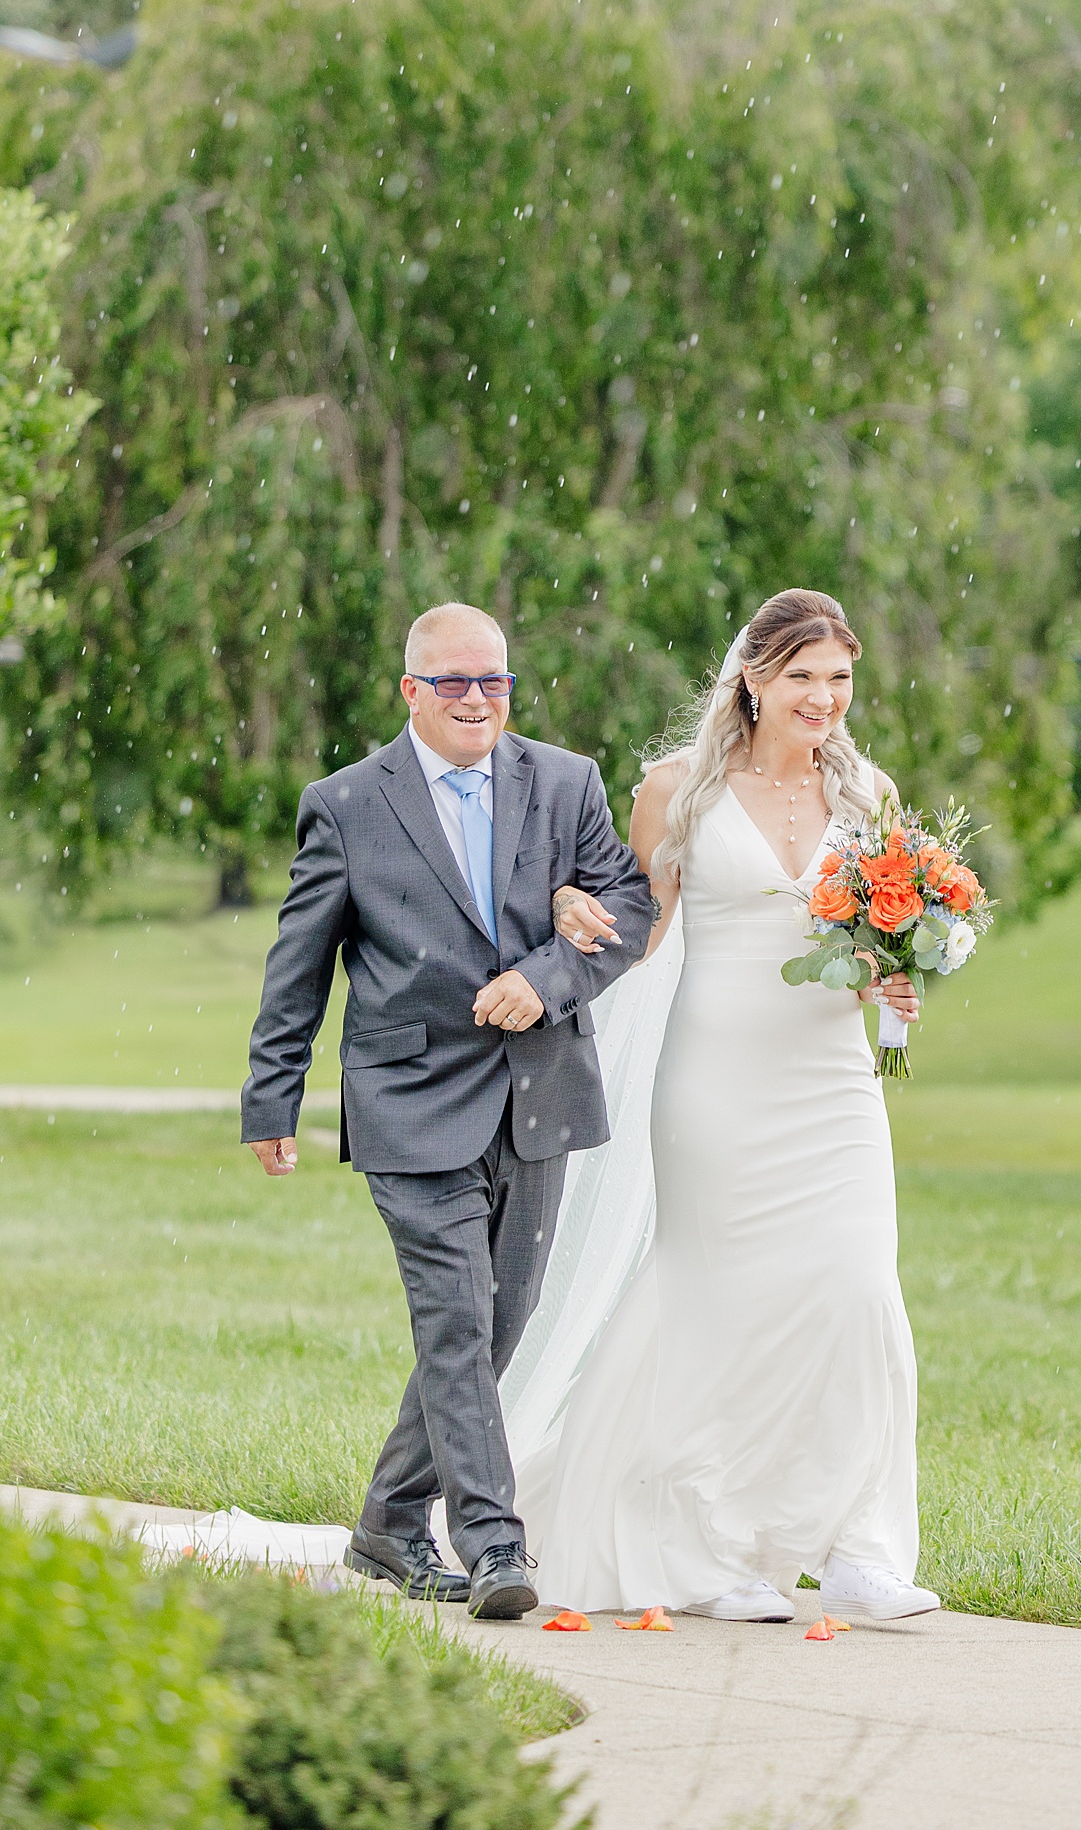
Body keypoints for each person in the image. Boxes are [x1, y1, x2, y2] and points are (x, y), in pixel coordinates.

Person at [502, 587, 943, 1624]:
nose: (822, 698)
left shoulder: (868, 794)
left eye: (837, 679)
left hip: (833, 1085)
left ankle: (855, 1547)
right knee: (717, 1300)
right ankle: (701, 1546)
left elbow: (877, 939)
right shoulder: (678, 791)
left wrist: (894, 985)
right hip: (715, 1083)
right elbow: (636, 931)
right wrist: (563, 921)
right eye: (800, 678)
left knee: (855, 1295)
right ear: (751, 678)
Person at [241, 602, 657, 1620]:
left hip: (537, 1096)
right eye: (454, 683)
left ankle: (387, 1520)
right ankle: (491, 1543)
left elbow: (629, 908)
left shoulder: (565, 784)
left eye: (495, 682)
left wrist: (549, 976)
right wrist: (272, 1092)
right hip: (409, 1099)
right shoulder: (343, 805)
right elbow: (299, 965)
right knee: (457, 1322)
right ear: (410, 691)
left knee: (497, 1326)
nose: (478, 700)